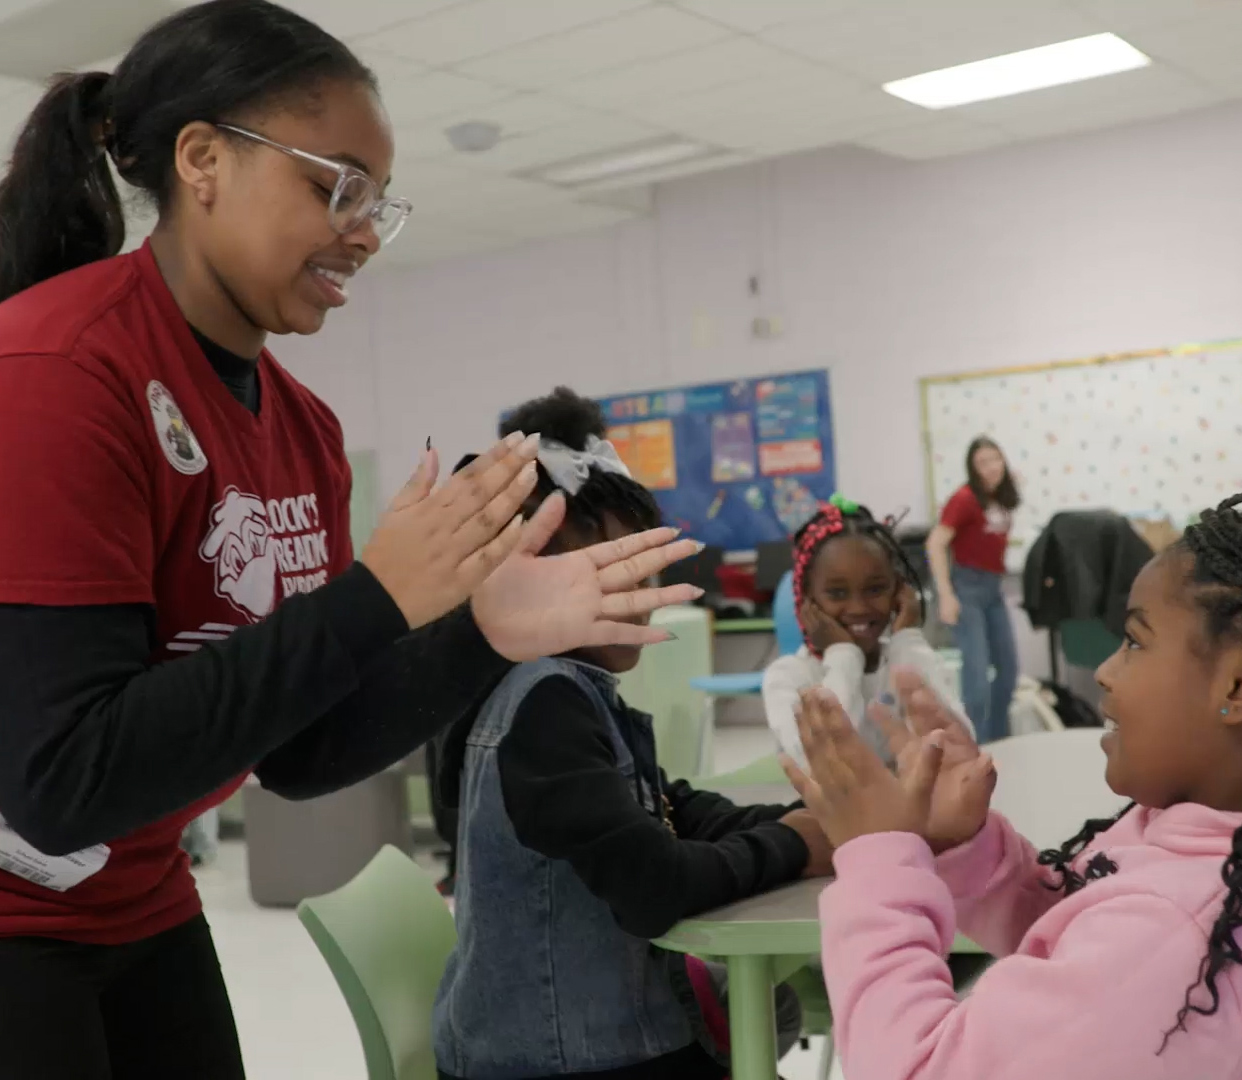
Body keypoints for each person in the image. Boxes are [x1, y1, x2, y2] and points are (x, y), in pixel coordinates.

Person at [0, 5, 700, 1078]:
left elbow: (297, 751)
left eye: (379, 200)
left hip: (135, 893)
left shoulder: (302, 430)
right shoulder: (48, 377)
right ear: (202, 160)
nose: (365, 231)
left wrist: (481, 632)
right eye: (333, 185)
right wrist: (379, 598)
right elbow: (62, 781)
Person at [783, 495, 1242, 1080]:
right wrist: (966, 847)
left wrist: (880, 858)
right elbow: (1088, 950)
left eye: (1136, 639)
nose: (1107, 671)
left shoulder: (1182, 930)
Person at [433, 388, 833, 1080]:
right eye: (613, 566)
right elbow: (653, 884)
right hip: (555, 1063)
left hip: (576, 1040)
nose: (646, 583)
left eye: (645, 559)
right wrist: (796, 843)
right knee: (775, 1012)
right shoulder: (543, 703)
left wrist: (809, 822)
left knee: (775, 1007)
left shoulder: (564, 685)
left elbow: (666, 807)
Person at [764, 494, 968, 770]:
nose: (858, 607)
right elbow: (825, 765)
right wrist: (843, 654)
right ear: (806, 600)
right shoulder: (788, 677)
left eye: (875, 589)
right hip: (832, 814)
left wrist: (907, 639)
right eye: (837, 593)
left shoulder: (910, 659)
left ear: (898, 591)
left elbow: (959, 749)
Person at [927, 436, 1020, 742]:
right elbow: (936, 543)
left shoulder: (1002, 498)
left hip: (994, 588)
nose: (991, 467)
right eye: (983, 463)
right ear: (972, 468)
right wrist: (946, 595)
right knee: (977, 680)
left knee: (1008, 672)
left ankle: (999, 742)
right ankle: (974, 747)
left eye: (995, 459)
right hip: (967, 588)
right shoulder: (965, 498)